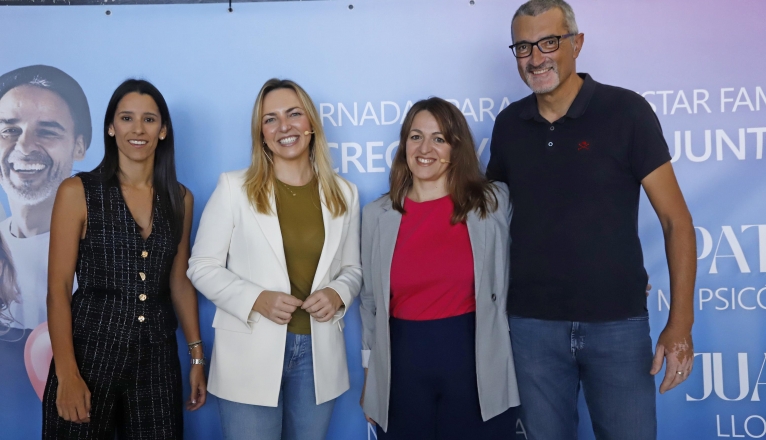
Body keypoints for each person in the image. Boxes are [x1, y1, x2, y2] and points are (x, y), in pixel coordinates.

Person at [486, 1, 697, 439]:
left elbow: (676, 222)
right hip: (531, 328)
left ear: (576, 43)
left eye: (548, 41)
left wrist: (680, 326)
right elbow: (492, 224)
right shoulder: (508, 126)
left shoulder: (627, 112)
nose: (536, 57)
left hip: (617, 324)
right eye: (523, 47)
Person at [187, 78, 362, 440]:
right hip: (248, 352)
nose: (284, 126)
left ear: (311, 124)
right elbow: (201, 266)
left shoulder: (344, 193)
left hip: (318, 354)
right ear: (261, 134)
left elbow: (352, 269)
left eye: (294, 114)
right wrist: (257, 299)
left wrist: (337, 293)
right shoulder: (233, 188)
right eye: (271, 119)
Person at [42, 79, 207, 439]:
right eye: (127, 118)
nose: (138, 129)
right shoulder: (77, 191)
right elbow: (57, 289)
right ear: (110, 127)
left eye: (149, 120)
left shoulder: (180, 198)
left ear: (163, 131)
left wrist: (196, 358)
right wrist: (68, 375)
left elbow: (179, 281)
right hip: (88, 357)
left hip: (157, 365)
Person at [359, 97, 520, 440]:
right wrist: (372, 377)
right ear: (403, 145)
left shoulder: (492, 204)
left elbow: (544, 239)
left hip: (476, 364)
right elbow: (370, 303)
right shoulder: (377, 216)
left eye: (439, 138)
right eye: (415, 137)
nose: (425, 148)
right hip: (402, 370)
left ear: (455, 147)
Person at [0, 64, 91, 332]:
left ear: (79, 146)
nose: (25, 147)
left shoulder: (103, 254)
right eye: (9, 131)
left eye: (47, 131)